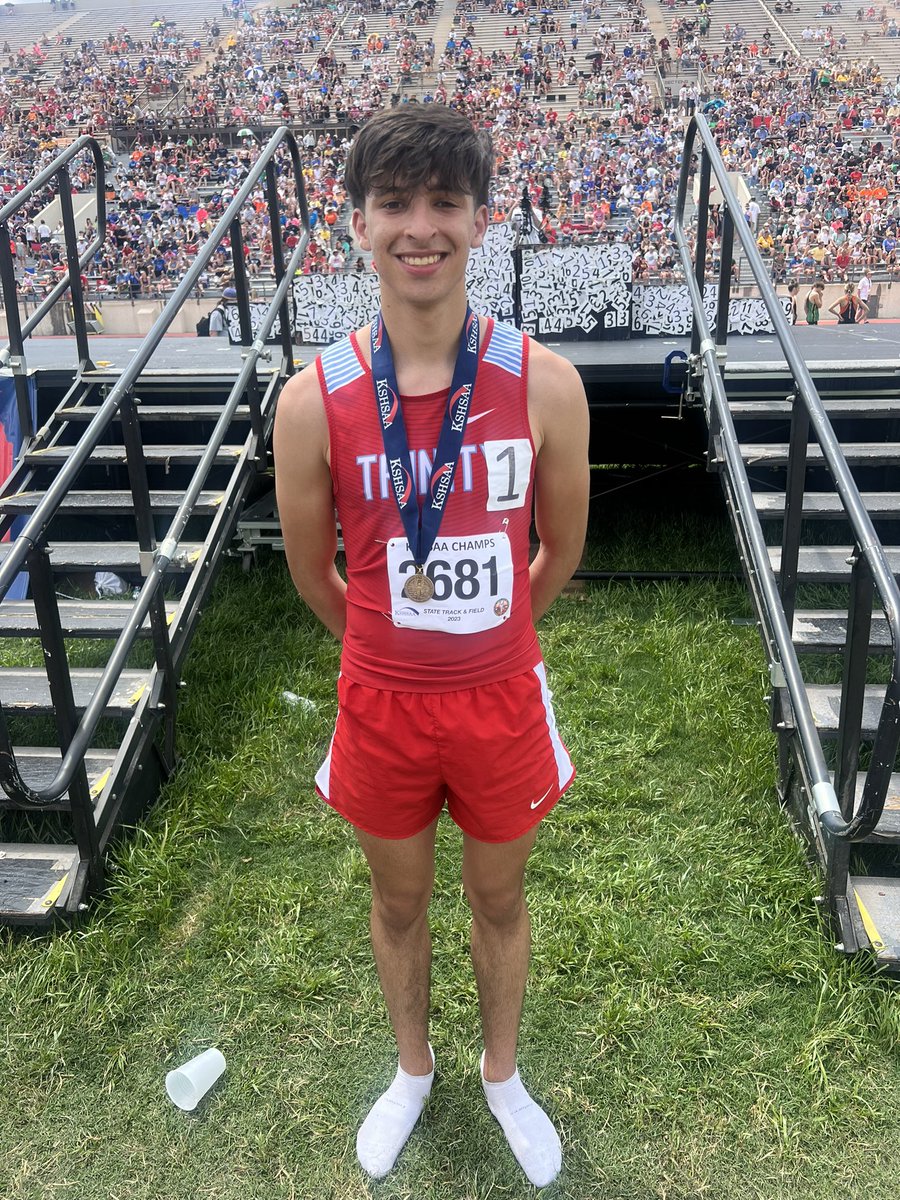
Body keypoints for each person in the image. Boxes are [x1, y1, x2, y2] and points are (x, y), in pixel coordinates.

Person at [273, 106, 589, 1188]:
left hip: (500, 697)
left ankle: (501, 1074)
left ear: (481, 219)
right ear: (355, 224)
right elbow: (315, 575)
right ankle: (413, 1070)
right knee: (398, 900)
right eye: (396, 204)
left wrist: (490, 637)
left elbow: (562, 547)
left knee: (499, 899)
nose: (422, 227)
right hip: (382, 702)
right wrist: (391, 644)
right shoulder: (312, 404)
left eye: (444, 203)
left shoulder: (546, 383)